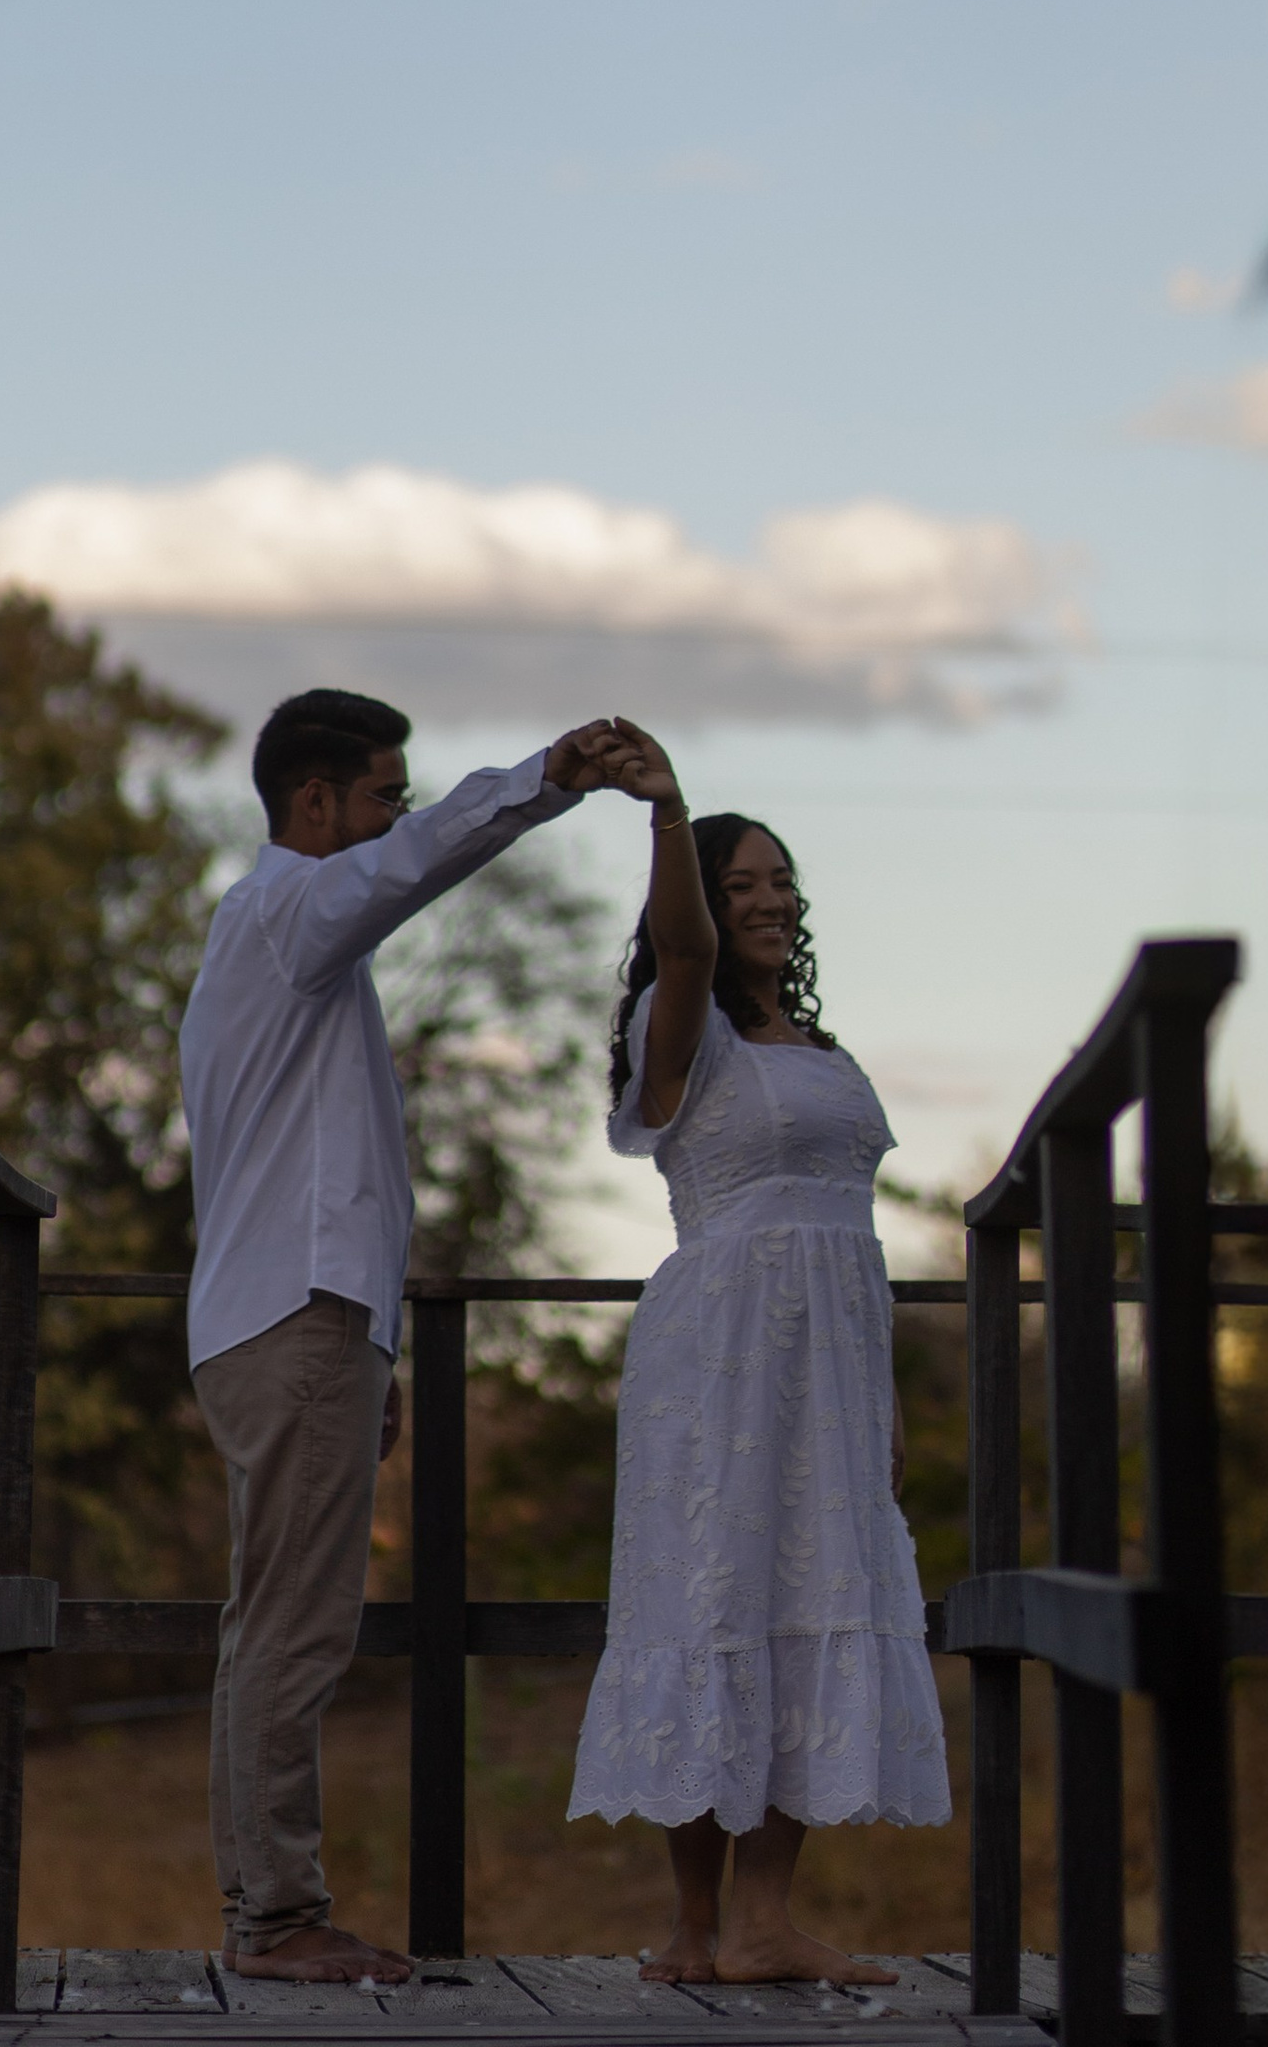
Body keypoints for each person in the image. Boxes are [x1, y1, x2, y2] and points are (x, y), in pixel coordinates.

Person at [180, 685, 629, 1985]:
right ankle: (276, 1920)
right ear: (315, 802)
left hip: (293, 1321)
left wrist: (369, 1338)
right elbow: (418, 863)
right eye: (385, 795)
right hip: (295, 1320)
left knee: (268, 1627)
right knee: (294, 1632)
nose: (397, 819)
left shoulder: (277, 946)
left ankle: (266, 1910)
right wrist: (548, 776)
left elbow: (333, 1171)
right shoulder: (289, 914)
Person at [568, 730, 948, 1983]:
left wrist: (880, 1400)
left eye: (781, 882)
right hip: (720, 1356)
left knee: (807, 1604)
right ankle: (696, 1925)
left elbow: (852, 1237)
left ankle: (760, 1919)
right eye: (740, 886)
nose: (769, 902)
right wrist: (666, 811)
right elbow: (681, 949)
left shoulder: (825, 1054)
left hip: (833, 1366)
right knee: (706, 1600)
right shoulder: (681, 1030)